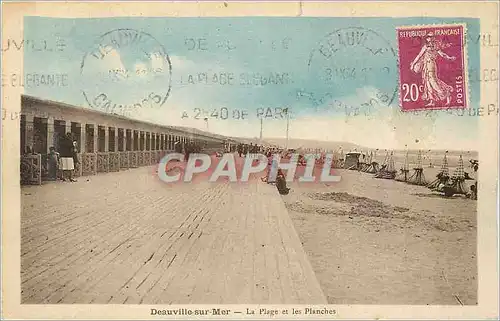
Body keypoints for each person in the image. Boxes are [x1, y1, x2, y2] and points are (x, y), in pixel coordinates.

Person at [410, 32, 456, 107]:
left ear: (433, 38)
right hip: (426, 66)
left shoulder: (435, 46)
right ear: (427, 39)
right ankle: (432, 101)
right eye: (429, 37)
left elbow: (442, 54)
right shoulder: (425, 46)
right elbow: (419, 56)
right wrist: (413, 64)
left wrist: (449, 58)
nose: (430, 38)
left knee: (433, 81)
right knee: (427, 82)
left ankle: (447, 94)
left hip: (431, 65)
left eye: (431, 37)